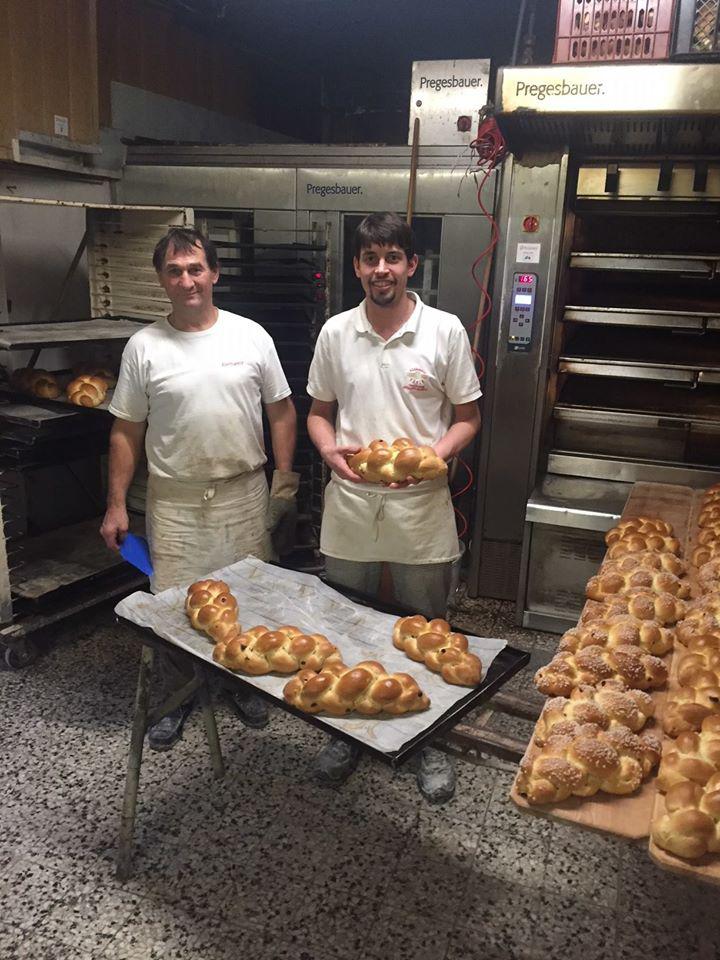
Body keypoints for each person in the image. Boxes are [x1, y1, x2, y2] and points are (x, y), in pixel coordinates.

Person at [306, 211, 482, 803]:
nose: (381, 269)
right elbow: (318, 413)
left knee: (428, 627)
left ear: (412, 265)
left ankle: (429, 738)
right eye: (370, 259)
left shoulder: (444, 331)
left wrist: (435, 456)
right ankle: (348, 731)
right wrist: (328, 449)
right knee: (348, 621)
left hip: (421, 507)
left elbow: (468, 417)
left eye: (392, 258)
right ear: (357, 267)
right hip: (352, 503)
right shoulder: (336, 333)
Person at [101, 227, 298, 750]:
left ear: (214, 273)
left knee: (248, 595)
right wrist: (116, 505)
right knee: (173, 604)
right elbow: (126, 431)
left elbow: (281, 412)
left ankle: (242, 682)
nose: (187, 280)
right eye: (174, 271)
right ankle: (180, 696)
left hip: (243, 494)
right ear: (161, 279)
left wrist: (284, 482)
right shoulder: (144, 347)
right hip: (175, 501)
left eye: (195, 269)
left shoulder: (250, 336)